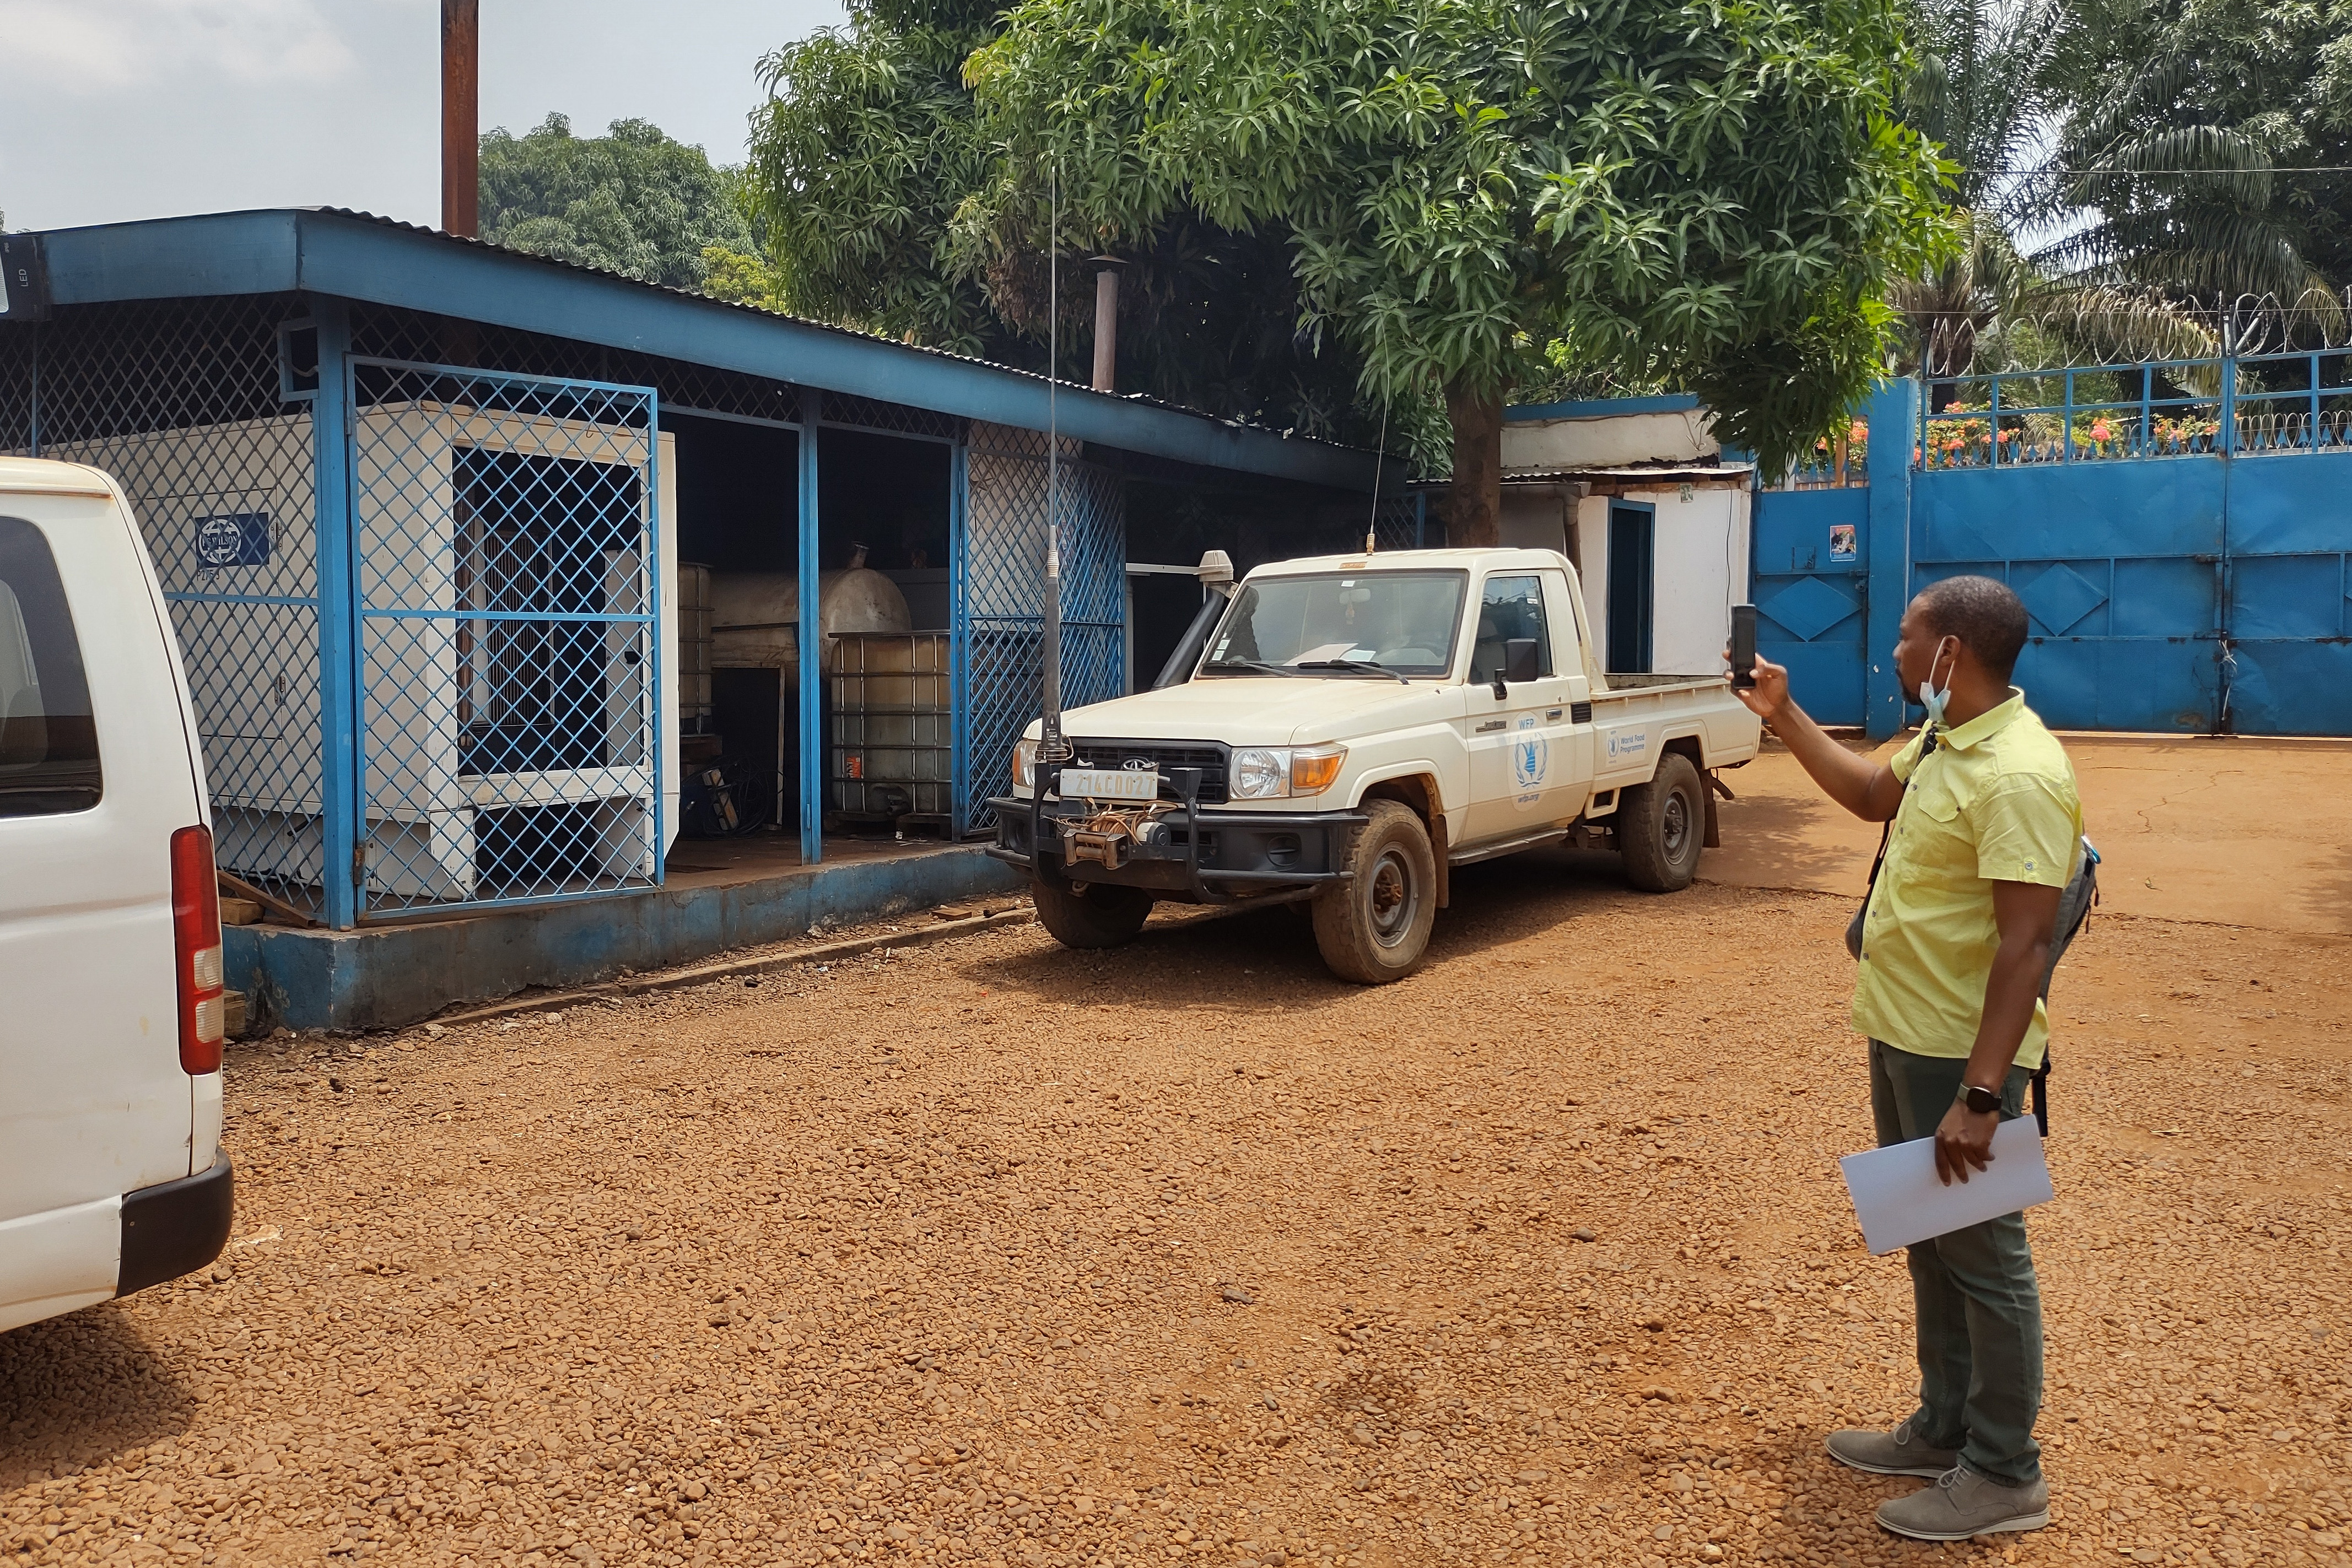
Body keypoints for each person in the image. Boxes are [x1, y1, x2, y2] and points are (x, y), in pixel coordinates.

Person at [1732, 575, 2081, 1542]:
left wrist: (1980, 1092)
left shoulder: (2019, 772)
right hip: (1901, 1027)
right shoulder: (1943, 738)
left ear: (1950, 654)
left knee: (1983, 1251)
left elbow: (2026, 945)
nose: (1893, 652)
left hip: (1958, 1052)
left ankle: (2007, 1470)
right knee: (1932, 1235)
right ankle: (1943, 1425)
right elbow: (1863, 792)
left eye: (1905, 638)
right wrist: (1784, 710)